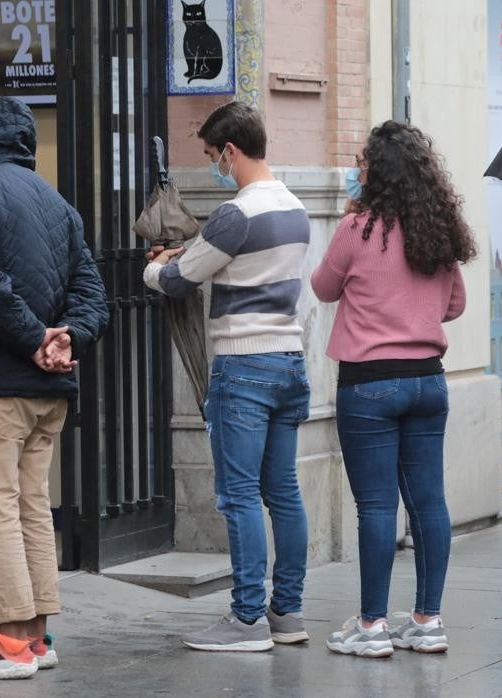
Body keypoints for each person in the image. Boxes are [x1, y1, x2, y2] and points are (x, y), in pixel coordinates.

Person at [0, 97, 109, 680]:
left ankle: (9, 645)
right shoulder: (57, 203)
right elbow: (92, 292)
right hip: (50, 390)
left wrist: (34, 337)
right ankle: (36, 639)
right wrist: (68, 340)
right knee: (32, 505)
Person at [145, 102, 313, 652]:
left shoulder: (236, 213)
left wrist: (153, 267)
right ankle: (286, 614)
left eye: (214, 156)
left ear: (231, 152)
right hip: (289, 362)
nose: (215, 165)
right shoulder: (295, 207)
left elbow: (179, 281)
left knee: (239, 495)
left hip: (243, 366)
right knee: (283, 493)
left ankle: (245, 621)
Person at [311, 121, 475, 658]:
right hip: (429, 379)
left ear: (376, 172)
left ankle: (373, 625)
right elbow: (454, 305)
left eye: (362, 163)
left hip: (370, 385)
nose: (357, 171)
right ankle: (427, 620)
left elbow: (322, 287)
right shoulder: (437, 230)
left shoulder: (358, 228)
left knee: (377, 507)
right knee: (429, 501)